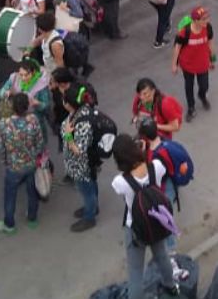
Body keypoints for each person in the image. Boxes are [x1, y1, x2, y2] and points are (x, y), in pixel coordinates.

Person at [110, 134, 180, 299]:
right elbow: (157, 163)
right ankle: (171, 287)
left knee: (135, 272)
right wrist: (144, 150)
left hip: (135, 228)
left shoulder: (120, 182)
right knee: (162, 256)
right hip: (156, 221)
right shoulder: (156, 167)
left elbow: (119, 187)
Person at [0, 92, 44, 235]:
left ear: (12, 107)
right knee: (32, 191)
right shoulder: (33, 120)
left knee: (10, 195)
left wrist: (5, 161)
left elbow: (0, 147)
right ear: (27, 106)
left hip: (14, 166)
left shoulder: (3, 124)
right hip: (31, 163)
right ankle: (32, 218)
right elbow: (39, 142)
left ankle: (9, 224)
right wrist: (35, 156)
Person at [60, 86, 100, 232]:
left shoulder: (82, 122)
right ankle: (93, 208)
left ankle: (90, 217)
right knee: (91, 185)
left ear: (69, 104)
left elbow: (79, 151)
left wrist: (68, 136)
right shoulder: (82, 111)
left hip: (81, 165)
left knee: (86, 190)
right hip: (89, 162)